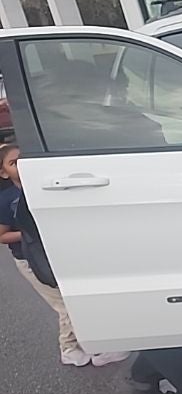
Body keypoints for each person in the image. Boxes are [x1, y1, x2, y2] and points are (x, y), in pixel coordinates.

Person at [0, 143, 130, 368]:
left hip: (56, 253)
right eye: (13, 163)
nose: (20, 166)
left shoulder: (44, 188)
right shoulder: (6, 200)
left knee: (78, 298)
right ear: (3, 172)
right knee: (64, 304)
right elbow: (2, 236)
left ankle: (97, 345)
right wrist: (31, 233)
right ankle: (69, 348)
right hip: (30, 258)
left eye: (23, 159)